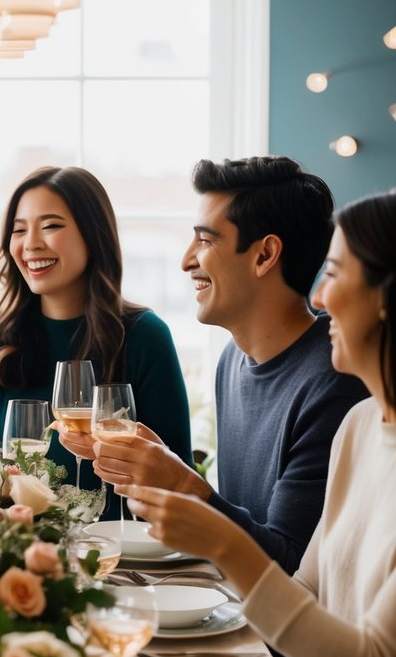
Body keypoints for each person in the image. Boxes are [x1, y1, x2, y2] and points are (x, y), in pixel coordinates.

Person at [128, 190, 396, 657]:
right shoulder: (362, 427)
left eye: (335, 274)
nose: (321, 298)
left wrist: (220, 536)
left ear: (385, 301)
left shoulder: (336, 399)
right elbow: (303, 586)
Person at [94, 156, 366, 573]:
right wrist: (160, 473)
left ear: (264, 255)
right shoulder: (232, 360)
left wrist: (183, 485)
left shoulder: (335, 380)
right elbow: (247, 523)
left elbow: (291, 568)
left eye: (205, 240)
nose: (187, 260)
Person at [0, 166, 193, 485]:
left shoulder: (145, 336)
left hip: (123, 535)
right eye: (19, 230)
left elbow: (180, 480)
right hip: (18, 534)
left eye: (51, 226)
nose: (31, 244)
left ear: (92, 234)